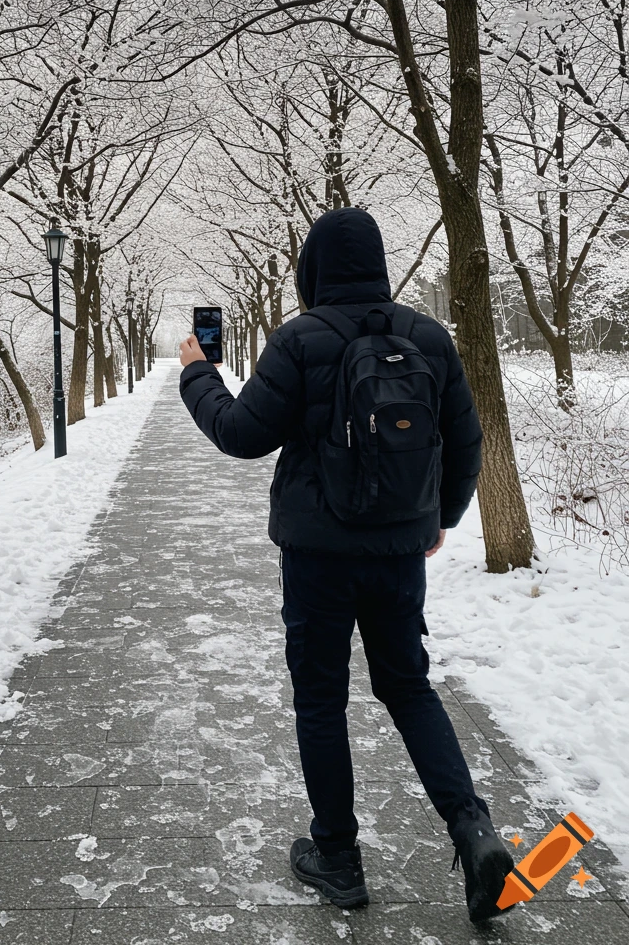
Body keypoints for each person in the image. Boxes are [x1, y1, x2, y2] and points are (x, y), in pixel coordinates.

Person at [178, 208, 516, 924]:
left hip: (318, 556)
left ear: (314, 270)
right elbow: (466, 441)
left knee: (321, 701)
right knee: (410, 689)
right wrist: (438, 522)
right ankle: (473, 828)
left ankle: (338, 857)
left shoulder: (300, 339)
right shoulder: (427, 335)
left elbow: (240, 435)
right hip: (398, 552)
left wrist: (197, 377)